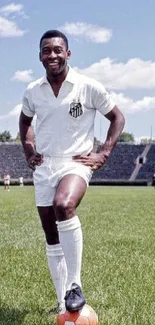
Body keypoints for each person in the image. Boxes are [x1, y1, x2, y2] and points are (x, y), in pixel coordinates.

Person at [19, 29, 125, 313]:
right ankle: (60, 303)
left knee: (63, 205)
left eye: (57, 49)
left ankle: (75, 285)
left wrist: (104, 152)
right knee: (51, 235)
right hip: (45, 165)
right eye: (46, 50)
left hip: (76, 161)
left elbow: (117, 117)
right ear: (40, 56)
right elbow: (24, 120)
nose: (51, 55)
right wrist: (29, 150)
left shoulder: (87, 86)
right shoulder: (33, 90)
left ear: (68, 53)